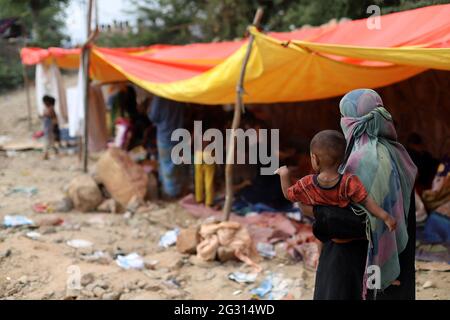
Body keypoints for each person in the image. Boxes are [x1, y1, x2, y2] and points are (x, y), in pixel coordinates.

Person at [276, 130, 397, 233]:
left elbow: (289, 195)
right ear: (344, 159)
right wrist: (386, 217)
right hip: (345, 227)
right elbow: (366, 202)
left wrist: (284, 174)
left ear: (315, 159)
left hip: (323, 228)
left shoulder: (307, 183)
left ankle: (320, 255)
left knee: (319, 235)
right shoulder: (349, 182)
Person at [41, 95, 59, 160]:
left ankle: (47, 154)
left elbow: (54, 118)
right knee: (49, 141)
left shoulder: (51, 108)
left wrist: (54, 127)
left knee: (49, 141)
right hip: (47, 127)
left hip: (50, 128)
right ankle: (50, 153)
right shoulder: (46, 108)